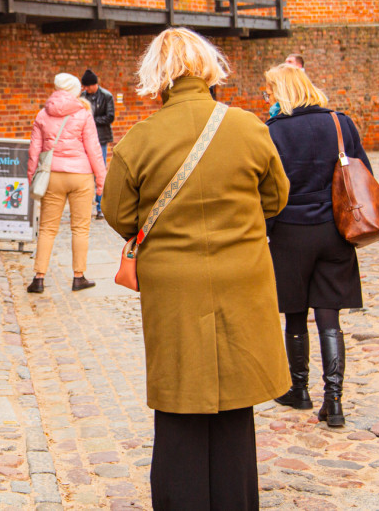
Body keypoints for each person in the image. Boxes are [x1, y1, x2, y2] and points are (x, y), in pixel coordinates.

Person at [102, 28, 290, 510]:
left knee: (179, 411)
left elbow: (119, 214)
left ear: (158, 79)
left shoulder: (139, 141)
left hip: (174, 292)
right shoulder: (249, 128)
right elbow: (276, 197)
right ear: (208, 70)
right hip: (241, 284)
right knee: (234, 412)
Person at [263, 64, 372, 428]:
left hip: (290, 232)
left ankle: (299, 389)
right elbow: (364, 172)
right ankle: (335, 401)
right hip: (334, 231)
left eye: (269, 92)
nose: (268, 99)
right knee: (330, 315)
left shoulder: (273, 131)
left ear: (281, 91)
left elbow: (267, 188)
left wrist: (266, 229)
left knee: (295, 313)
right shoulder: (341, 123)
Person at [27, 73, 106, 294]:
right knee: (80, 228)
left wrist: (32, 179)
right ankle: (78, 277)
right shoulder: (83, 113)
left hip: (53, 175)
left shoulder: (42, 114)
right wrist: (101, 181)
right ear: (74, 90)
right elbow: (94, 149)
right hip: (81, 176)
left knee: (47, 228)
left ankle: (39, 278)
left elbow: (34, 152)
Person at [81, 68, 115, 220]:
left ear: (95, 84)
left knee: (100, 173)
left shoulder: (106, 96)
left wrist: (91, 121)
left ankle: (101, 207)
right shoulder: (82, 97)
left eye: (88, 86)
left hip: (100, 138)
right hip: (84, 139)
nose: (86, 89)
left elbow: (110, 116)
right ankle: (85, 206)